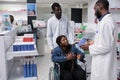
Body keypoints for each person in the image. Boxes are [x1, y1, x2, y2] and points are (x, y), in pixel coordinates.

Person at [81, 0, 117, 80]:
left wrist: (89, 48)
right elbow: (104, 41)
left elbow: (105, 47)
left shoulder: (106, 23)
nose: (94, 12)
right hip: (103, 61)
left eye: (95, 9)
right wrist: (93, 42)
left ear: (100, 7)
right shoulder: (104, 22)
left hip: (104, 63)